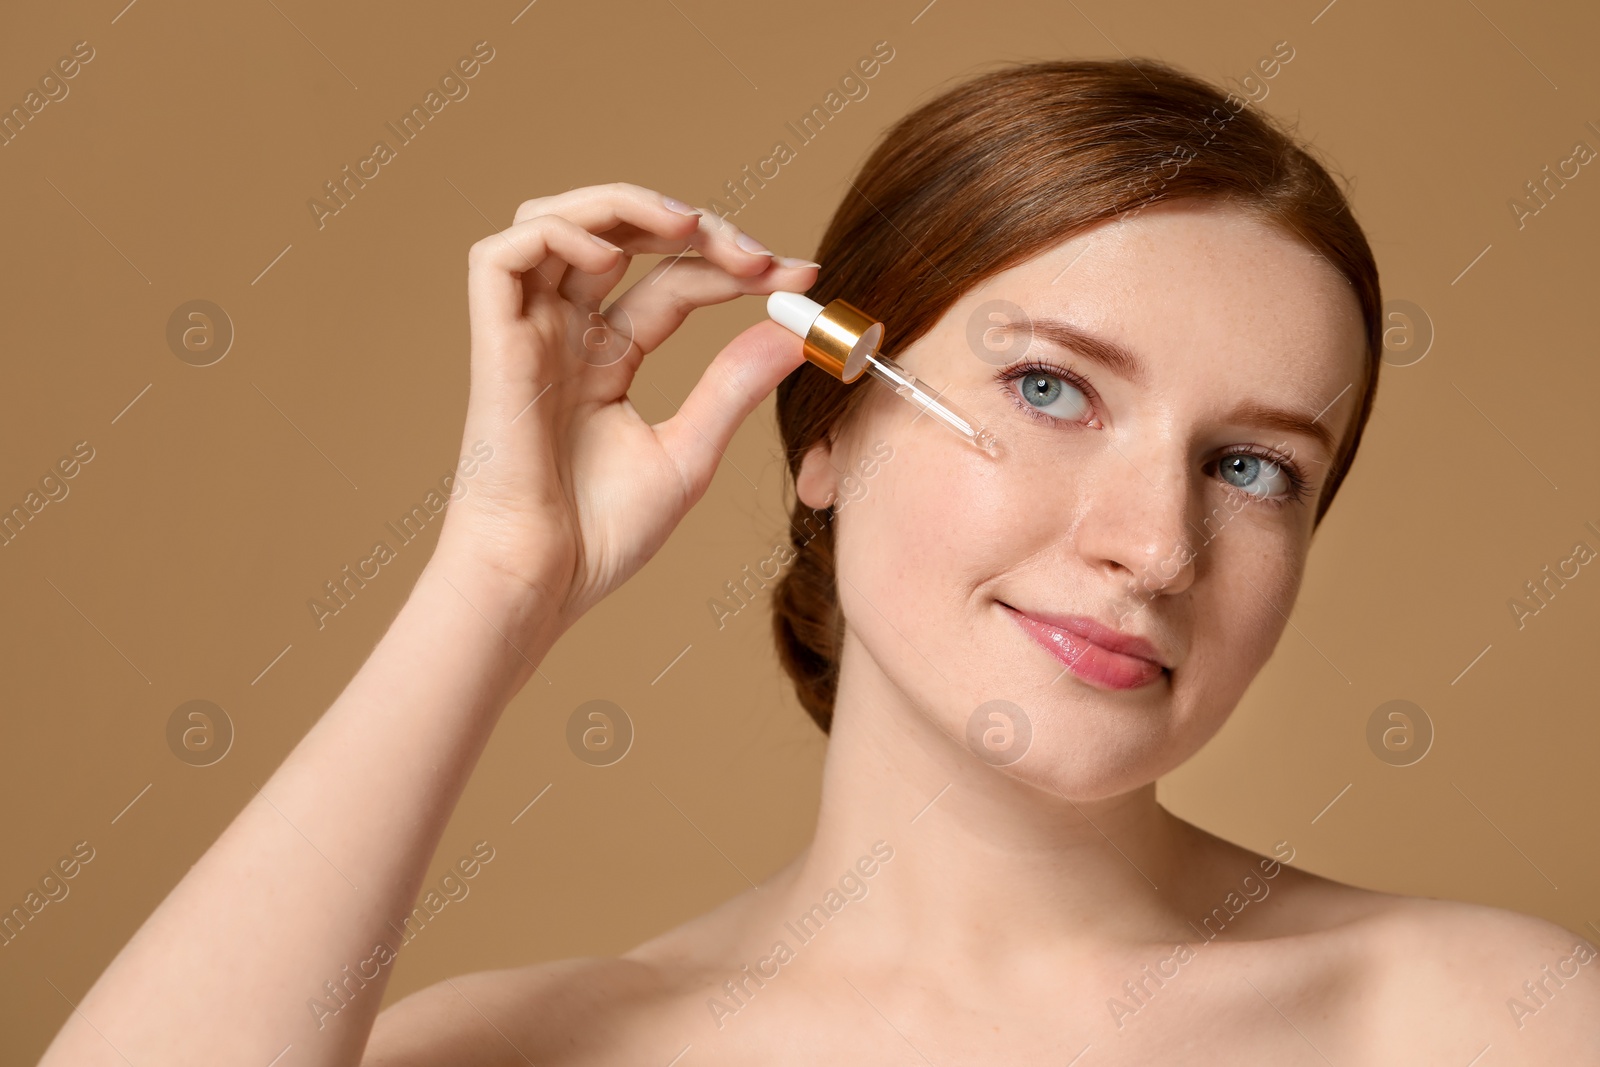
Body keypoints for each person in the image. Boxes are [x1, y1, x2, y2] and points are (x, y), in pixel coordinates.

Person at [40, 58, 1598, 1067]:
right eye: (1050, 387)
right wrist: (499, 578)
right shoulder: (524, 1053)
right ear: (828, 432)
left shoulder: (1485, 1021)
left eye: (1252, 468)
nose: (1151, 546)